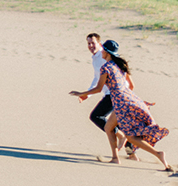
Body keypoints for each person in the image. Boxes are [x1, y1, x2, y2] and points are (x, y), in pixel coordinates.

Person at [70, 40, 172, 171]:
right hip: (129, 98)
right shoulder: (119, 65)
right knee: (108, 127)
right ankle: (115, 158)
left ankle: (158, 154)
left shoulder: (105, 68)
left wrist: (81, 93)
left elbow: (98, 88)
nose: (101, 52)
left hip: (121, 102)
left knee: (130, 136)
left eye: (103, 50)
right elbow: (129, 85)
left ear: (106, 51)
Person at [79, 33, 136, 159]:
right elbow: (97, 78)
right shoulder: (97, 58)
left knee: (97, 116)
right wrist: (87, 95)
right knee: (122, 123)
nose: (90, 46)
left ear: (100, 44)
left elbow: (100, 84)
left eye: (93, 43)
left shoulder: (103, 57)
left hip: (114, 94)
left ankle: (119, 137)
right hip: (120, 94)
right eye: (88, 43)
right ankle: (132, 154)